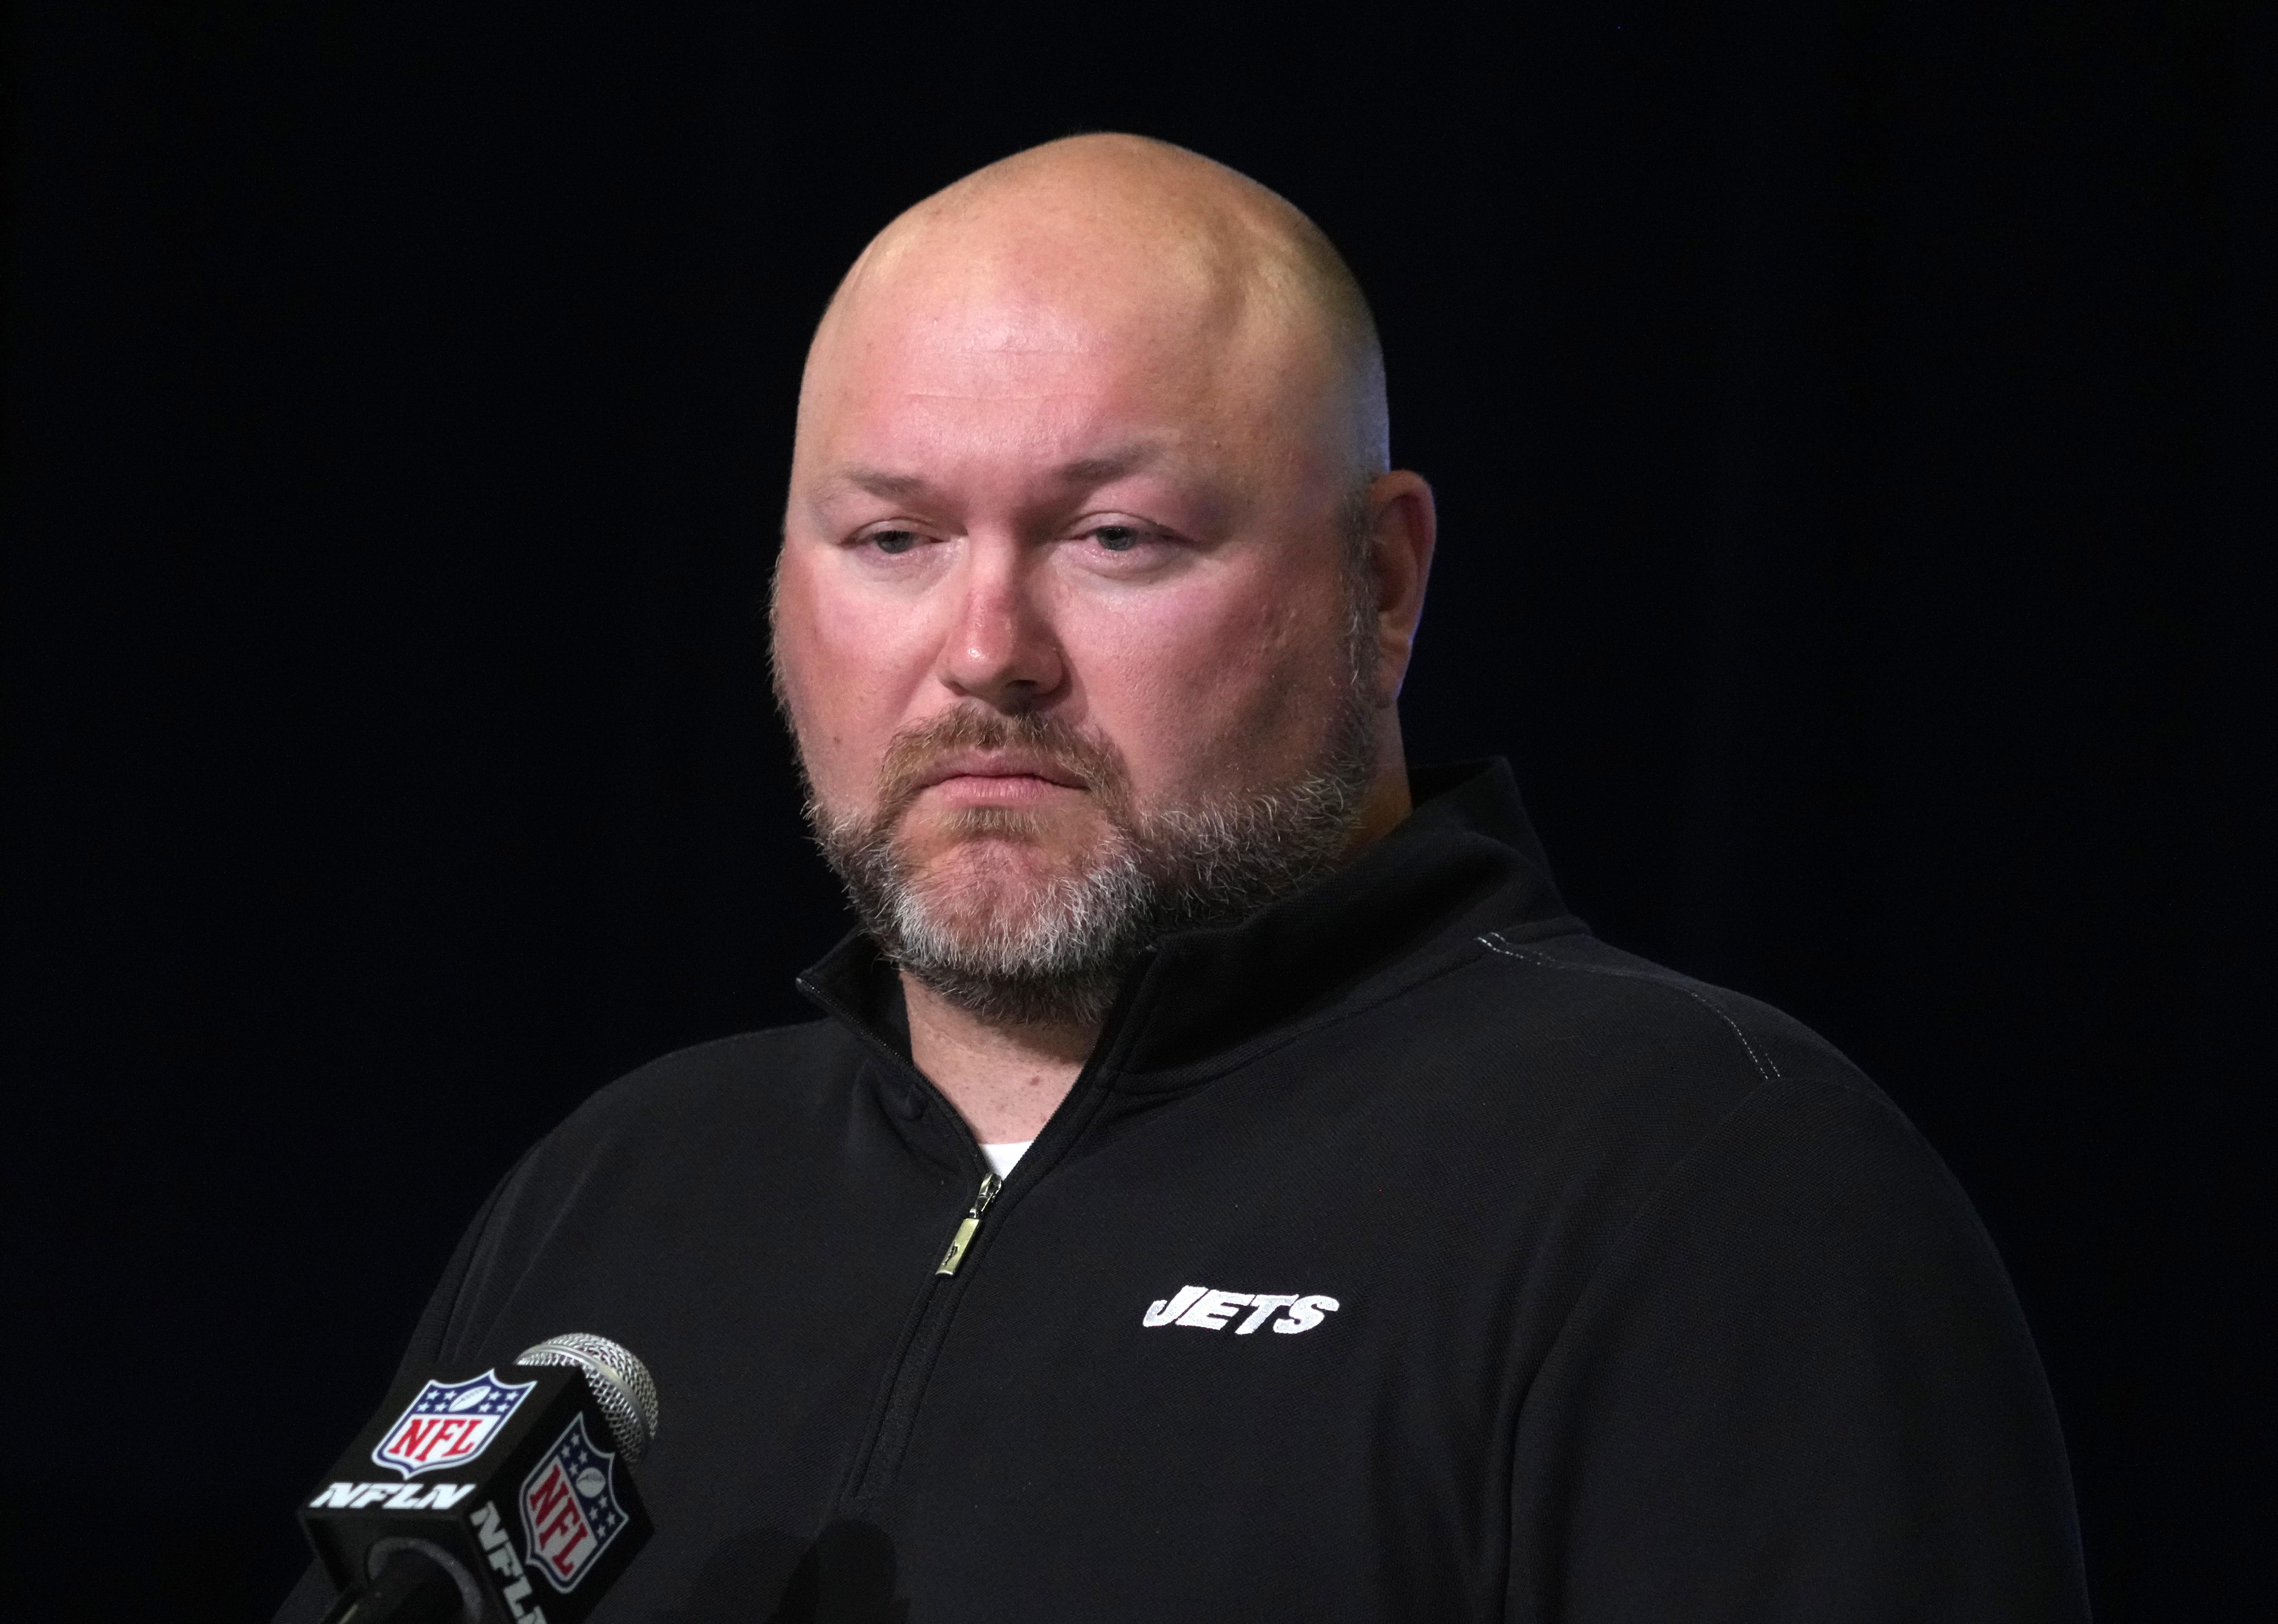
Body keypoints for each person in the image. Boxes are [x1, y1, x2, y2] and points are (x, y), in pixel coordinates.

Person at [277, 134, 2087, 1622]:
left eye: (1114, 539)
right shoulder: (625, 1184)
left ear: (1379, 583)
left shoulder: (1697, 1185)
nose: (986, 649)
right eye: (893, 537)